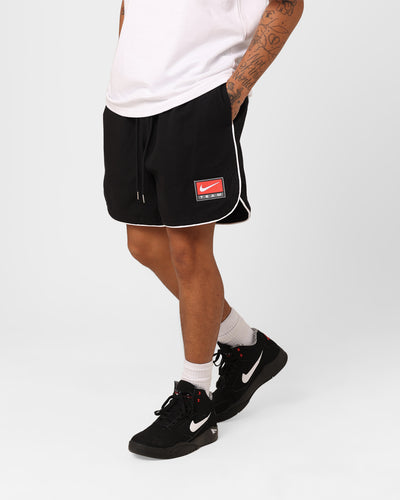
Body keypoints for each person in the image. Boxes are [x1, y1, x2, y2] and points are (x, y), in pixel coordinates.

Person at [102, 0, 304, 459]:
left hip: (196, 96)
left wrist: (234, 93)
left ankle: (195, 400)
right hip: (128, 101)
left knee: (189, 251)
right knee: (143, 244)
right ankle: (245, 345)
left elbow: (287, 5)